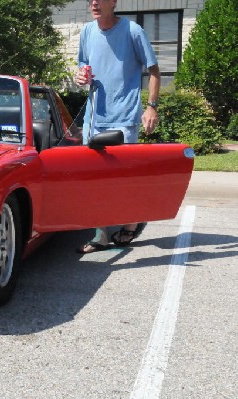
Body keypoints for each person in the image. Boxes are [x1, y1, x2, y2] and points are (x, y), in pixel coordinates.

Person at [75, 0, 160, 254]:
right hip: (94, 117)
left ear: (113, 2)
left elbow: (154, 71)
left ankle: (132, 222)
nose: (94, 3)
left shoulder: (133, 31)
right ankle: (100, 235)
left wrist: (151, 107)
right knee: (94, 179)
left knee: (123, 178)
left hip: (123, 116)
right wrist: (81, 76)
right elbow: (82, 65)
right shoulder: (87, 32)